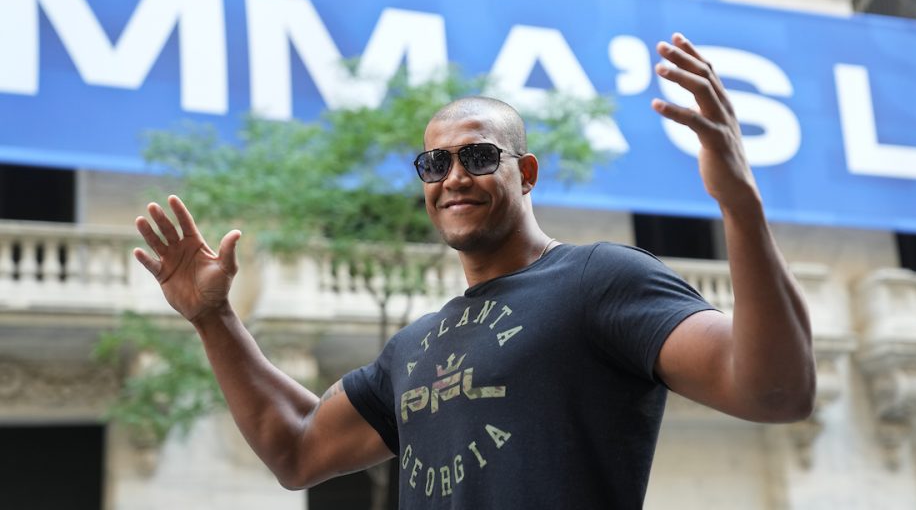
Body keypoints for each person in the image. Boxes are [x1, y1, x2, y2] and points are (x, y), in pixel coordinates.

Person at [134, 33, 815, 508]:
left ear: (525, 173)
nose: (453, 177)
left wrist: (739, 203)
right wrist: (213, 318)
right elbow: (297, 451)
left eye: (478, 157)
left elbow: (775, 392)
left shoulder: (600, 280)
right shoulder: (414, 346)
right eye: (435, 164)